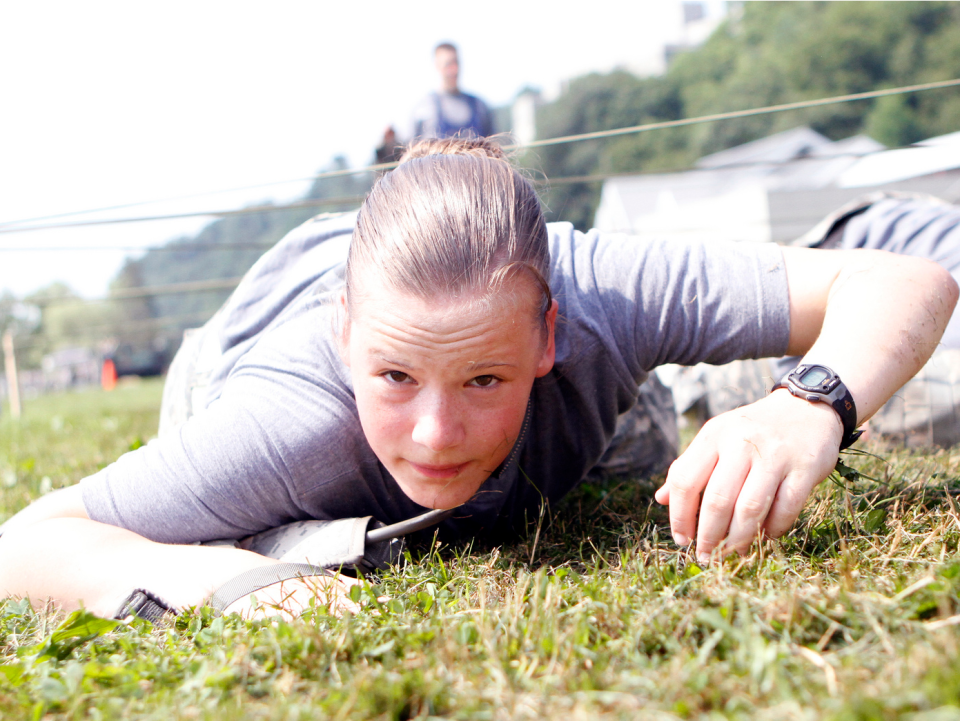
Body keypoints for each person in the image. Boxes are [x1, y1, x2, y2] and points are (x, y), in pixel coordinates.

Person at [0, 137, 955, 621]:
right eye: (396, 375)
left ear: (547, 334)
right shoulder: (286, 419)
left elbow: (905, 279)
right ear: (348, 342)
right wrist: (222, 578)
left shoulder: (598, 291)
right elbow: (27, 543)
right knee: (288, 540)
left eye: (486, 379)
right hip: (241, 351)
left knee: (638, 443)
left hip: (574, 372)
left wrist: (808, 405)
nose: (433, 435)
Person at [411, 43, 493, 140]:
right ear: (437, 66)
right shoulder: (423, 109)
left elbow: (494, 147)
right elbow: (409, 150)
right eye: (448, 64)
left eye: (456, 63)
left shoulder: (479, 107)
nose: (454, 70)